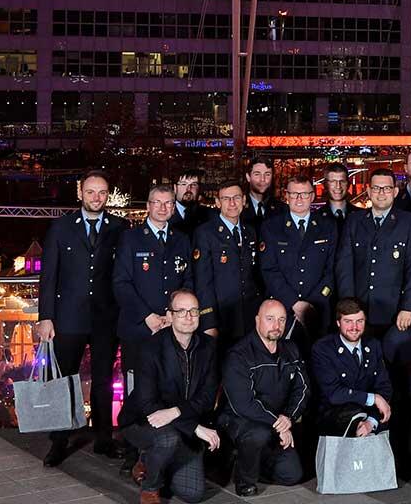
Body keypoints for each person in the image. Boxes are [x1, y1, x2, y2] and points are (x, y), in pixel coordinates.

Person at [37, 170, 130, 466]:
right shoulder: (61, 228)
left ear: (108, 195)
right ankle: (58, 442)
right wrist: (46, 317)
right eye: (91, 192)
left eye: (102, 192)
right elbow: (48, 275)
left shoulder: (120, 227)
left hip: (106, 317)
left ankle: (104, 439)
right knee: (65, 380)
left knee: (104, 380)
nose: (96, 198)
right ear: (80, 193)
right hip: (67, 317)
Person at [115, 184, 194, 454]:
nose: (163, 208)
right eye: (157, 202)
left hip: (172, 328)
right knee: (136, 390)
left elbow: (187, 281)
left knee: (167, 388)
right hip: (139, 328)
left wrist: (174, 315)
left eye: (168, 203)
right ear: (147, 206)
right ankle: (132, 448)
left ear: (174, 207)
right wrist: (148, 317)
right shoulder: (131, 238)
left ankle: (163, 444)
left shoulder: (182, 240)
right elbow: (121, 283)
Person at [122, 289, 219, 504]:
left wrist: (176, 412)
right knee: (167, 439)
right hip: (142, 421)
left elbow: (207, 397)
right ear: (170, 315)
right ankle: (150, 488)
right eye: (181, 311)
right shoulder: (150, 348)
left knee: (192, 493)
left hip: (180, 421)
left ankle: (149, 461)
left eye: (194, 311)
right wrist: (194, 427)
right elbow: (148, 404)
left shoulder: (209, 347)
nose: (188, 317)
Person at [336, 168, 411, 364]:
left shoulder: (410, 222)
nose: (381, 193)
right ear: (368, 191)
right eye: (376, 188)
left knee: (395, 363)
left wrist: (409, 307)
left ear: (395, 192)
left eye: (386, 188)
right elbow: (344, 266)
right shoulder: (354, 221)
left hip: (395, 313)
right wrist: (348, 307)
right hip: (359, 311)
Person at [219, 300, 308, 497]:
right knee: (258, 434)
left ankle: (248, 463)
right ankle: (245, 481)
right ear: (257, 320)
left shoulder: (291, 350)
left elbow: (303, 389)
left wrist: (287, 418)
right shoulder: (239, 354)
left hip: (275, 422)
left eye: (281, 320)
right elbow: (244, 404)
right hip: (239, 421)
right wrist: (278, 423)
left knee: (292, 475)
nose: (276, 326)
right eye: (270, 319)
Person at [258, 176, 338, 345]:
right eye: (294, 194)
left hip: (318, 309)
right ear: (286, 196)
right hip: (282, 310)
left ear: (313, 196)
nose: (299, 199)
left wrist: (310, 305)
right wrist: (295, 304)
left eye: (304, 194)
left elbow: (332, 270)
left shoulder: (328, 226)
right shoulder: (271, 227)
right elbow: (269, 271)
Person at [192, 180, 263, 352]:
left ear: (244, 200)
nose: (232, 203)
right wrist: (208, 321)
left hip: (249, 318)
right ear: (217, 203)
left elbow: (255, 275)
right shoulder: (205, 233)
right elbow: (202, 281)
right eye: (226, 198)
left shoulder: (250, 232)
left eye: (237, 198)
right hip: (222, 319)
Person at [310, 298, 394, 437]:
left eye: (359, 321)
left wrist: (371, 422)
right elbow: (334, 394)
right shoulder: (323, 349)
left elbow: (384, 387)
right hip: (335, 419)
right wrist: (373, 398)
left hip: (370, 416)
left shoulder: (373, 345)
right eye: (348, 321)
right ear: (338, 322)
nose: (354, 327)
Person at [170, 169, 217, 234]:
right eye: (184, 184)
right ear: (175, 188)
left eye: (194, 184)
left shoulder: (210, 216)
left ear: (199, 189)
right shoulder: (164, 214)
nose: (188, 189)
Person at [242, 158, 282, 231]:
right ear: (248, 177)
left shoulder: (283, 210)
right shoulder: (238, 208)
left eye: (267, 174)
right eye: (257, 174)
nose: (262, 179)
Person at [318, 163, 356, 230]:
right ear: (325, 185)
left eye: (342, 181)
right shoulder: (315, 218)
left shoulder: (362, 216)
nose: (338, 186)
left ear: (348, 185)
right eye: (333, 181)